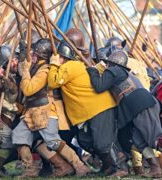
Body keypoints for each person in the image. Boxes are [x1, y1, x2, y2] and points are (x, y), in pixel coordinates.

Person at [86, 50, 162, 178]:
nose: (106, 66)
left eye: (108, 64)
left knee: (156, 139)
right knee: (139, 141)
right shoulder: (122, 72)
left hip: (141, 105)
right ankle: (155, 169)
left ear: (112, 63)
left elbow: (99, 86)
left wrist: (92, 71)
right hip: (138, 106)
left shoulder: (116, 71)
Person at [48, 40, 128, 177]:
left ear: (63, 57)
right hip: (88, 112)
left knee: (103, 142)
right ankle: (108, 166)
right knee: (85, 140)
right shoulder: (71, 66)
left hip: (99, 107)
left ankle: (121, 167)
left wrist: (54, 63)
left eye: (58, 56)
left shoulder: (71, 65)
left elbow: (53, 82)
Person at [13, 38, 90, 178]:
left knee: (52, 141)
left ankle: (79, 165)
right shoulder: (36, 67)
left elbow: (28, 89)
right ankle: (31, 168)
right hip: (31, 113)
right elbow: (23, 71)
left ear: (41, 55)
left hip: (45, 111)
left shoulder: (46, 70)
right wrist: (24, 56)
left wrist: (25, 71)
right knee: (19, 136)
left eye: (34, 54)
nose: (33, 56)